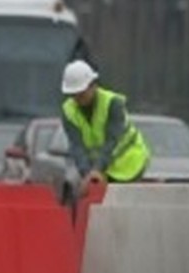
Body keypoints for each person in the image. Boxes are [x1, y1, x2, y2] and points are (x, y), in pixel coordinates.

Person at [59, 59, 150, 195]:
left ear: (93, 86)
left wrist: (97, 170)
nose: (78, 98)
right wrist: (86, 174)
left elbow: (111, 141)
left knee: (120, 203)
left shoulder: (113, 104)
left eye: (81, 93)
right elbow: (77, 146)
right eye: (74, 94)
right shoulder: (68, 110)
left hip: (130, 163)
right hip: (103, 169)